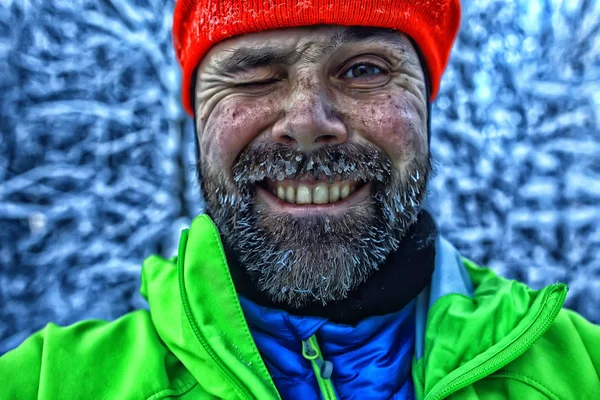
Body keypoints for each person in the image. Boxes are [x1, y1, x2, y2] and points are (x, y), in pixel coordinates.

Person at [1, 0, 599, 398]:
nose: (308, 122)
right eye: (255, 74)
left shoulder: (583, 372)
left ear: (426, 107)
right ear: (197, 119)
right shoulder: (45, 382)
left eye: (364, 70)